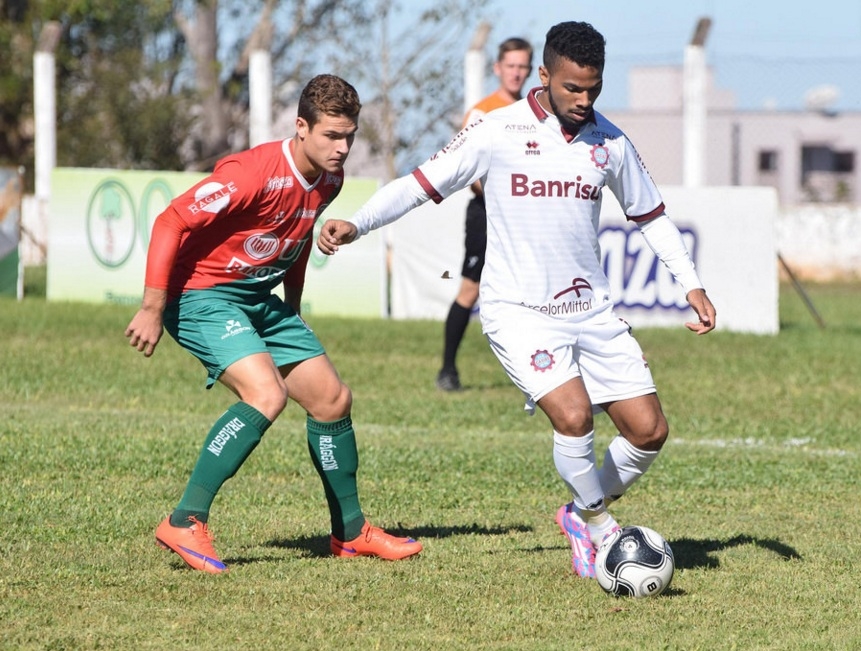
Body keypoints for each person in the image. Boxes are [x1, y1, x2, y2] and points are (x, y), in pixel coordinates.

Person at [318, 21, 715, 579]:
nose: (584, 100)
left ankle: (580, 513)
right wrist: (356, 223)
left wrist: (690, 283)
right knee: (574, 417)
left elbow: (650, 216)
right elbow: (418, 183)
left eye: (594, 89)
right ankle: (601, 530)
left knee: (649, 431)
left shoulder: (611, 143)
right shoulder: (495, 131)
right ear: (545, 75)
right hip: (519, 312)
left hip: (592, 311)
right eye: (573, 88)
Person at [124, 74, 422, 574]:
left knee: (332, 398)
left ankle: (350, 534)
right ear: (301, 126)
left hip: (259, 297)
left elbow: (297, 238)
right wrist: (152, 308)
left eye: (349, 136)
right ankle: (184, 519)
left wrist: (294, 306)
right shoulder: (251, 173)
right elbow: (170, 221)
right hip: (200, 296)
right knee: (266, 395)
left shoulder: (330, 179)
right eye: (331, 135)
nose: (343, 147)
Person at [436, 37, 533, 392]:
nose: (516, 73)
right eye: (511, 66)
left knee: (529, 290)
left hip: (521, 216)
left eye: (522, 66)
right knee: (470, 289)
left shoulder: (530, 112)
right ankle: (447, 369)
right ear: (497, 68)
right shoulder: (482, 111)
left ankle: (535, 370)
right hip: (486, 213)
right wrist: (495, 197)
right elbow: (467, 168)